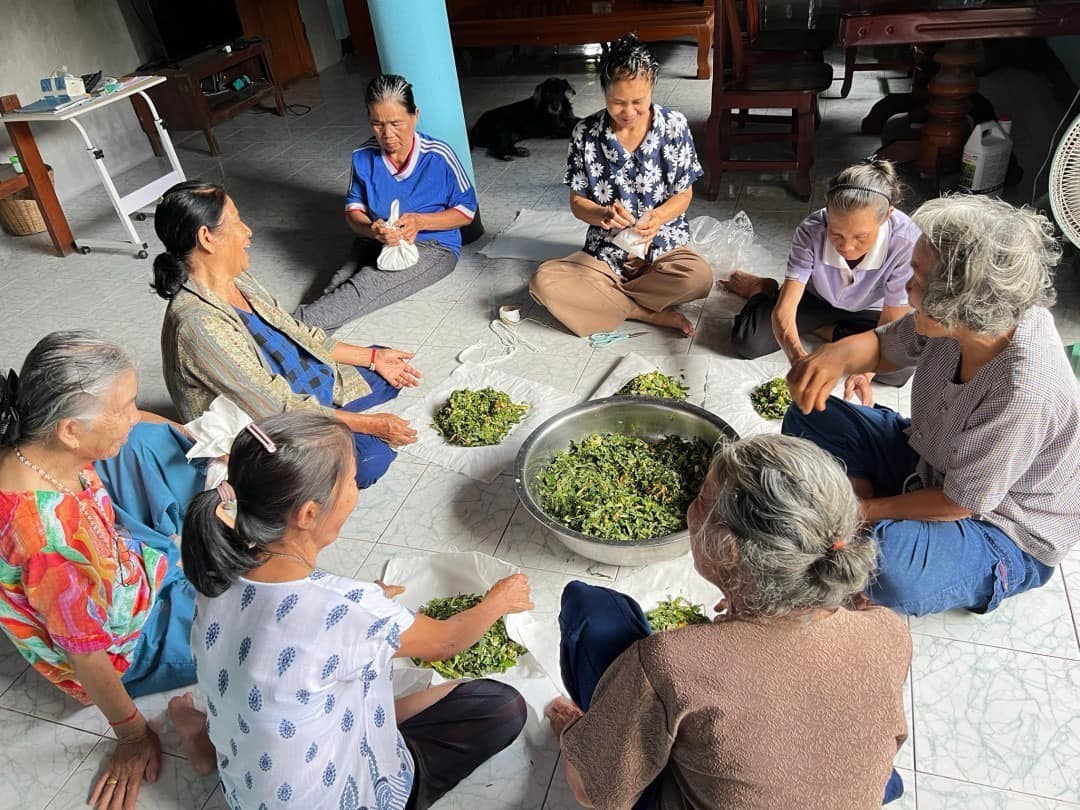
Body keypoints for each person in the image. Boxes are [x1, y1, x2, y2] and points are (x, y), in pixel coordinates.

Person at [179, 410, 530, 810]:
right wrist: (500, 600)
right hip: (341, 799)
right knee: (501, 707)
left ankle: (203, 742)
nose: (355, 490)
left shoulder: (216, 576)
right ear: (308, 513)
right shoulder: (348, 607)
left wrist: (367, 604)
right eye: (351, 481)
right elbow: (447, 642)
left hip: (246, 790)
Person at [545, 434, 911, 809]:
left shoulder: (669, 661)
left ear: (730, 551)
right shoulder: (888, 630)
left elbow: (592, 794)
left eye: (701, 499)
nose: (690, 507)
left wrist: (575, 732)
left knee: (593, 611)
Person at [784, 195, 1080, 616]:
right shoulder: (969, 319)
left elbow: (960, 503)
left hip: (999, 525)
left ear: (960, 303)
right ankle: (872, 512)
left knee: (891, 567)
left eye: (918, 278)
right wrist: (835, 357)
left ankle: (875, 520)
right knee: (809, 414)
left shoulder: (1022, 391)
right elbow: (886, 346)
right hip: (931, 459)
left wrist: (865, 511)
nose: (907, 285)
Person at [0, 331, 207, 810]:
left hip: (125, 565)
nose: (134, 414)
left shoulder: (38, 445)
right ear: (71, 430)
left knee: (150, 442)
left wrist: (181, 429)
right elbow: (88, 657)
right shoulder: (49, 544)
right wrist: (133, 734)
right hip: (131, 646)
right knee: (253, 623)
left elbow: (138, 428)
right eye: (124, 407)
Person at [153, 180, 421, 490]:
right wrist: (372, 424)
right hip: (271, 425)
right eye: (237, 220)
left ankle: (334, 412)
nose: (248, 231)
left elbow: (297, 332)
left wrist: (373, 357)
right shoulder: (198, 323)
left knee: (391, 369)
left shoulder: (237, 279)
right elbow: (276, 408)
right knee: (370, 459)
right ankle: (333, 424)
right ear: (206, 237)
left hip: (302, 383)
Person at [529, 34, 713, 338]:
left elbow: (684, 192)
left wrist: (658, 217)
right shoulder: (586, 133)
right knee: (543, 282)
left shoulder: (674, 126)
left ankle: (606, 300)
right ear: (604, 92)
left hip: (661, 250)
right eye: (617, 103)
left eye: (638, 102)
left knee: (698, 278)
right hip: (605, 255)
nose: (628, 112)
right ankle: (643, 312)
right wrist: (602, 214)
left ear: (652, 87)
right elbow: (577, 202)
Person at [293, 74, 478, 331]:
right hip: (375, 238)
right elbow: (354, 211)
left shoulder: (439, 156)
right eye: (377, 124)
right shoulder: (362, 156)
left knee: (365, 286)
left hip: (433, 245)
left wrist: (420, 222)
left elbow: (467, 211)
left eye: (396, 123)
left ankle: (283, 329)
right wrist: (372, 230)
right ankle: (296, 338)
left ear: (415, 115)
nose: (387, 134)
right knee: (338, 281)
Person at [725, 159, 919, 402]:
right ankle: (760, 289)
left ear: (886, 216)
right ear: (827, 211)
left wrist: (865, 371)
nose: (847, 247)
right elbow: (785, 310)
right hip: (816, 298)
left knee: (899, 369)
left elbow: (890, 325)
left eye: (860, 237)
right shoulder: (812, 229)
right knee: (748, 341)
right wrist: (798, 359)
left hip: (871, 310)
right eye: (836, 234)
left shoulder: (906, 242)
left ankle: (821, 329)